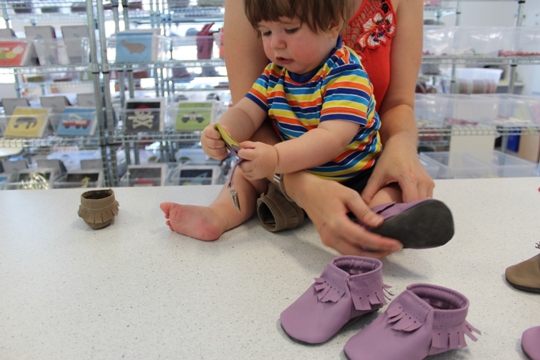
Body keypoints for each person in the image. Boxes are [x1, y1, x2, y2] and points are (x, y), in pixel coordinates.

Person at [162, 0, 435, 258]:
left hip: (354, 173)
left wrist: (277, 159)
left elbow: (332, 137)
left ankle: (380, 218)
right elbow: (247, 110)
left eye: (290, 30)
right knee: (246, 172)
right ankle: (217, 216)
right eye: (265, 32)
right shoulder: (274, 74)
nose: (275, 43)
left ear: (331, 26)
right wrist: (222, 130)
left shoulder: (346, 73)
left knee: (384, 189)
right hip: (288, 170)